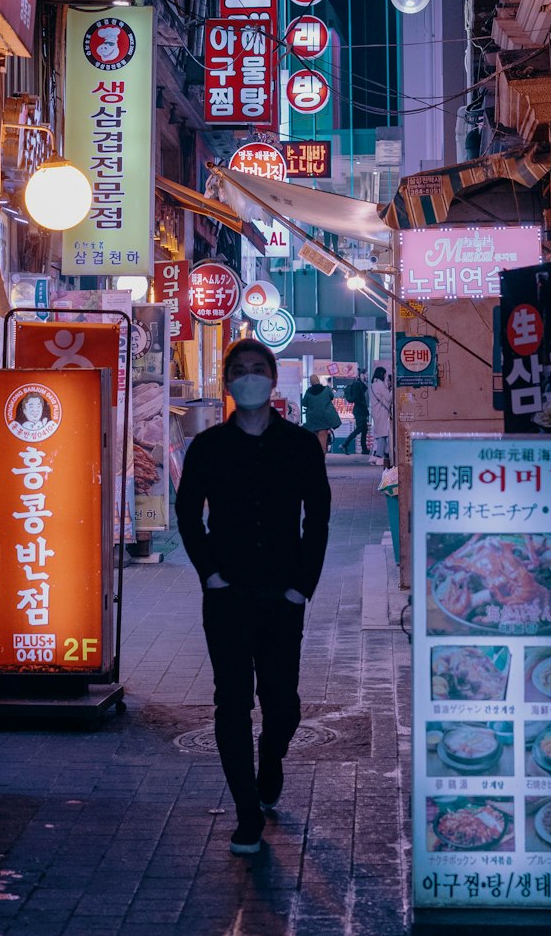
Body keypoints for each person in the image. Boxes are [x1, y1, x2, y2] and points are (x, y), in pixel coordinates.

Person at [176, 339, 331, 856]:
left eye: (257, 369)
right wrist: (210, 574)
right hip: (227, 595)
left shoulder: (302, 446)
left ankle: (273, 754)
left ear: (273, 376)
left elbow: (319, 520)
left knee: (282, 703)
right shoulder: (207, 447)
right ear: (226, 381)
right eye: (239, 370)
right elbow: (186, 515)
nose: (249, 377)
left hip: (283, 595)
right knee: (232, 701)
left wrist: (300, 588)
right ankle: (246, 811)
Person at [301, 373, 341, 452]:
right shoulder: (326, 389)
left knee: (314, 441)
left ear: (311, 382)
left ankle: (315, 458)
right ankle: (322, 458)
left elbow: (304, 403)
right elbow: (332, 396)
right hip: (324, 419)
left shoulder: (308, 392)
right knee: (323, 440)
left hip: (312, 420)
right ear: (318, 381)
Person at [341, 372, 370, 454]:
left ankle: (364, 449)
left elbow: (364, 389)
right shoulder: (357, 384)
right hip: (359, 410)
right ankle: (344, 444)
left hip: (361, 410)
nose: (367, 376)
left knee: (364, 429)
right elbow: (356, 397)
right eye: (365, 374)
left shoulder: (359, 383)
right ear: (361, 374)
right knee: (359, 428)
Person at [370, 365, 393, 462]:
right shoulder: (380, 384)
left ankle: (379, 454)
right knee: (383, 434)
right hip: (382, 412)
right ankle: (380, 455)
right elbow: (388, 397)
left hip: (376, 411)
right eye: (384, 375)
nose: (385, 377)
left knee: (380, 433)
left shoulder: (373, 384)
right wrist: (392, 389)